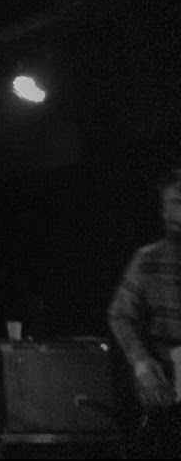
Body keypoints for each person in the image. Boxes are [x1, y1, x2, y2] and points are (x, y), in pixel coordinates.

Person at [108, 166, 181, 458]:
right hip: (167, 394)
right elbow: (120, 314)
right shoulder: (147, 260)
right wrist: (141, 362)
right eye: (175, 202)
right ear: (163, 210)